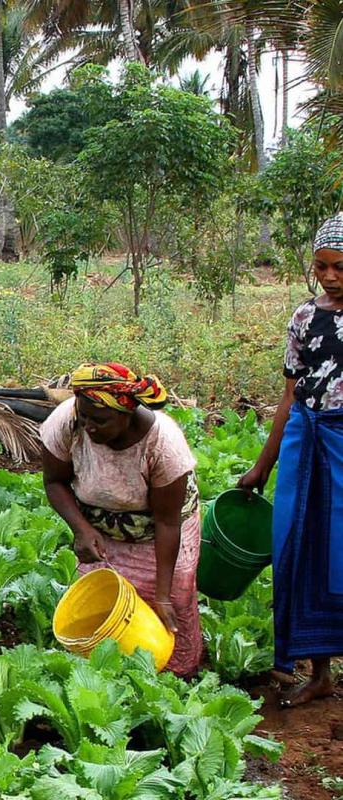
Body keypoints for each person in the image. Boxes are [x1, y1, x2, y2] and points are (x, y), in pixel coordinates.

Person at [238, 212, 343, 707]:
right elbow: (288, 395)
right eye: (321, 266)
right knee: (296, 547)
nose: (329, 276)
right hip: (306, 436)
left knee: (339, 549)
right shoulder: (304, 317)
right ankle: (318, 671)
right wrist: (263, 464)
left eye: (339, 267)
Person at [41, 363, 203, 676]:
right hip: (101, 530)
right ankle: (106, 676)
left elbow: (168, 523)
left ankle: (179, 678)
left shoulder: (163, 444)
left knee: (170, 608)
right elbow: (54, 482)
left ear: (126, 414)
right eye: (83, 415)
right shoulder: (67, 422)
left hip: (159, 533)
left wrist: (162, 595)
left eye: (100, 420)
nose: (89, 426)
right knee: (102, 603)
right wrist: (82, 529)